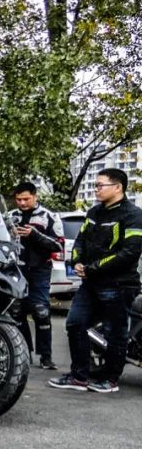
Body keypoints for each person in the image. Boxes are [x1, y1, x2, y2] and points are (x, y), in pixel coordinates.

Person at [49, 168, 142, 394]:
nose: (96, 189)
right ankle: (79, 376)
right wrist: (77, 261)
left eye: (100, 185)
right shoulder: (93, 212)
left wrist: (92, 268)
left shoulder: (133, 215)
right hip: (90, 283)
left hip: (119, 285)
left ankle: (110, 379)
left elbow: (129, 252)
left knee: (115, 333)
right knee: (75, 323)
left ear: (117, 187)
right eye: (95, 185)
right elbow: (80, 240)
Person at [7, 181, 64, 370]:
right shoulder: (10, 217)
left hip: (40, 269)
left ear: (35, 196)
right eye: (18, 199)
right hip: (16, 270)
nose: (22, 203)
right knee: (16, 311)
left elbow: (58, 245)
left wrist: (35, 234)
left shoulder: (49, 217)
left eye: (26, 199)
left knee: (41, 311)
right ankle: (23, 353)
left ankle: (46, 356)